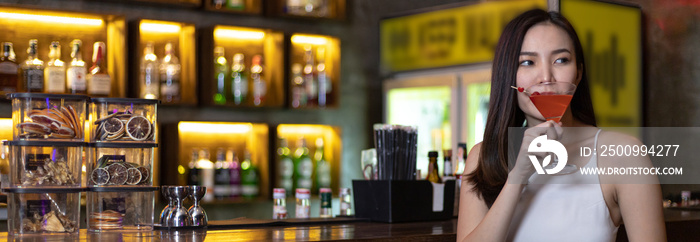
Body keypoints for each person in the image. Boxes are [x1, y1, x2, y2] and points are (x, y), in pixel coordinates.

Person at [456, 9, 665, 242]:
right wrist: (518, 177)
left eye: (561, 60)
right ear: (509, 78)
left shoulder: (624, 155)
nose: (546, 77)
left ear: (578, 73)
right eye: (527, 62)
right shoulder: (483, 158)